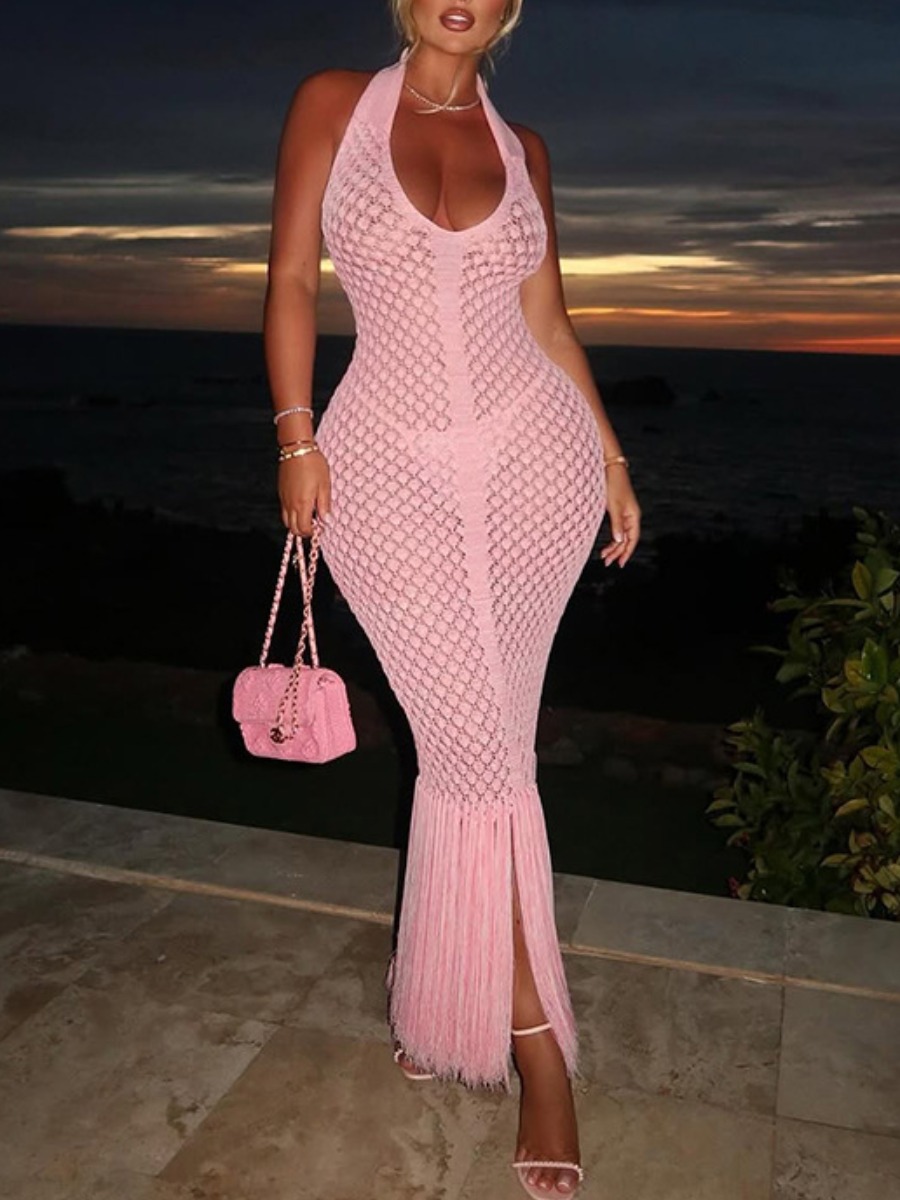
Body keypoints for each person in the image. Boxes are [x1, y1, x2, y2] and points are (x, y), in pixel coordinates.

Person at [263, 2, 641, 1195]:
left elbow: (548, 320)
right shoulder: (334, 105)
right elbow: (290, 282)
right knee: (473, 749)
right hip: (379, 465)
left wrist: (612, 456)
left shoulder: (524, 150)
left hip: (536, 464)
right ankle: (539, 1053)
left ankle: (446, 1002)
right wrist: (294, 437)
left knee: (481, 753)